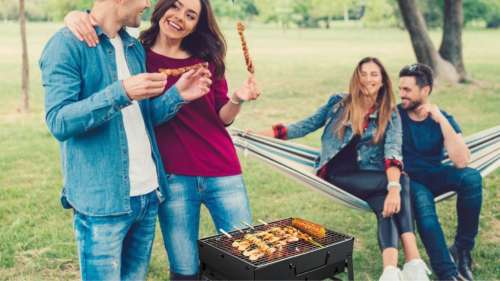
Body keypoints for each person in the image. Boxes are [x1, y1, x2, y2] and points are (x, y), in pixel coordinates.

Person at [64, 0, 261, 279]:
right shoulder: (136, 55)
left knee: (245, 258)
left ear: (196, 25)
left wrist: (237, 99)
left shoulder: (207, 58)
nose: (180, 17)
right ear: (162, 8)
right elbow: (105, 25)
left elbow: (223, 117)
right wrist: (74, 16)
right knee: (184, 268)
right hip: (172, 176)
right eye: (176, 7)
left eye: (190, 15)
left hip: (222, 172)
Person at [39, 0, 212, 280]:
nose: (147, 4)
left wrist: (177, 95)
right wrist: (121, 92)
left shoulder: (133, 48)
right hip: (103, 204)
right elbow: (59, 121)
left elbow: (142, 119)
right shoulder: (67, 45)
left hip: (147, 196)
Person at [258, 57, 430, 281]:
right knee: (399, 183)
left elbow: (393, 151)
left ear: (382, 81)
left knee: (385, 207)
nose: (368, 78)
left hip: (368, 175)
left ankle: (390, 272)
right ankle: (413, 262)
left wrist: (393, 189)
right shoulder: (339, 102)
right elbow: (304, 126)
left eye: (374, 74)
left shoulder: (390, 113)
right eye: (363, 73)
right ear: (356, 77)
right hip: (336, 174)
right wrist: (255, 136)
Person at [398, 63, 483, 281]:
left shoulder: (442, 117)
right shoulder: (395, 116)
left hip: (435, 174)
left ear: (425, 90)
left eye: (407, 90)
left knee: (471, 177)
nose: (402, 95)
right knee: (426, 213)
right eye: (400, 89)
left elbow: (462, 160)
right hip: (408, 180)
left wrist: (441, 119)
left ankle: (462, 249)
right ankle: (447, 273)